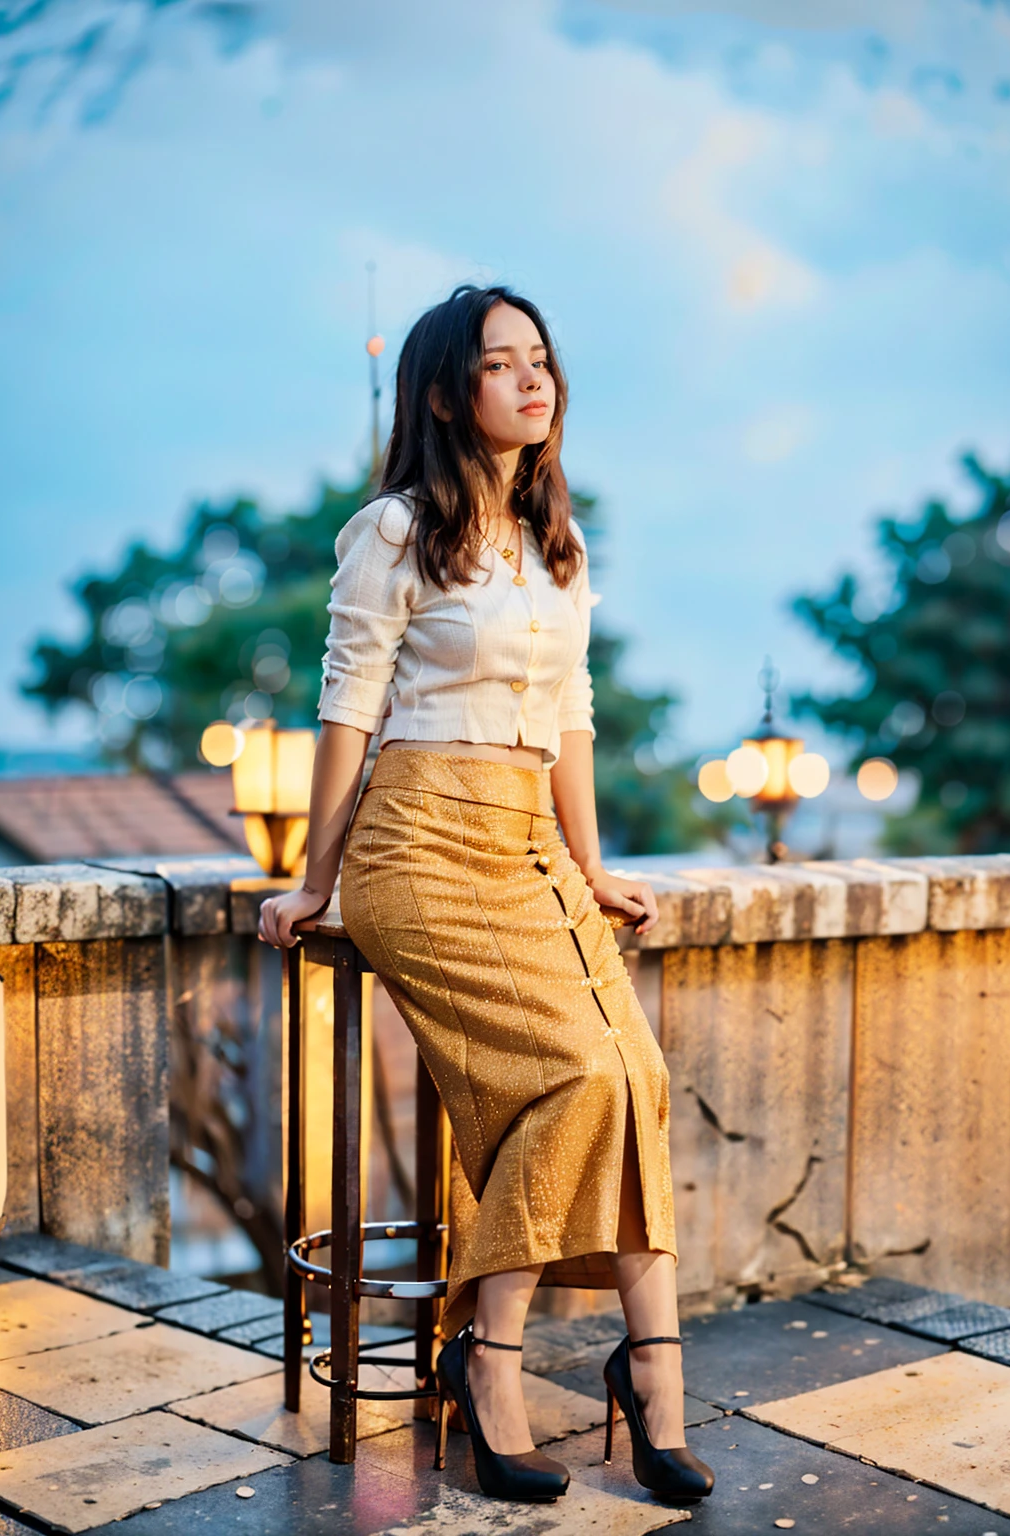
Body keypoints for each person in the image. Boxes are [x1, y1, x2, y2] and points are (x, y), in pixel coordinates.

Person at [257, 285, 713, 1506]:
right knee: (575, 1075)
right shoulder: (395, 531)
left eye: (542, 361)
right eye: (502, 364)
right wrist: (315, 880)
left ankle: (649, 1372)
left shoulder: (558, 543)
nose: (533, 380)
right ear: (448, 392)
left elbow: (572, 720)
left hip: (530, 849)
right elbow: (349, 702)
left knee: (638, 1079)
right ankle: (494, 1358)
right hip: (416, 845)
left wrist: (595, 864)